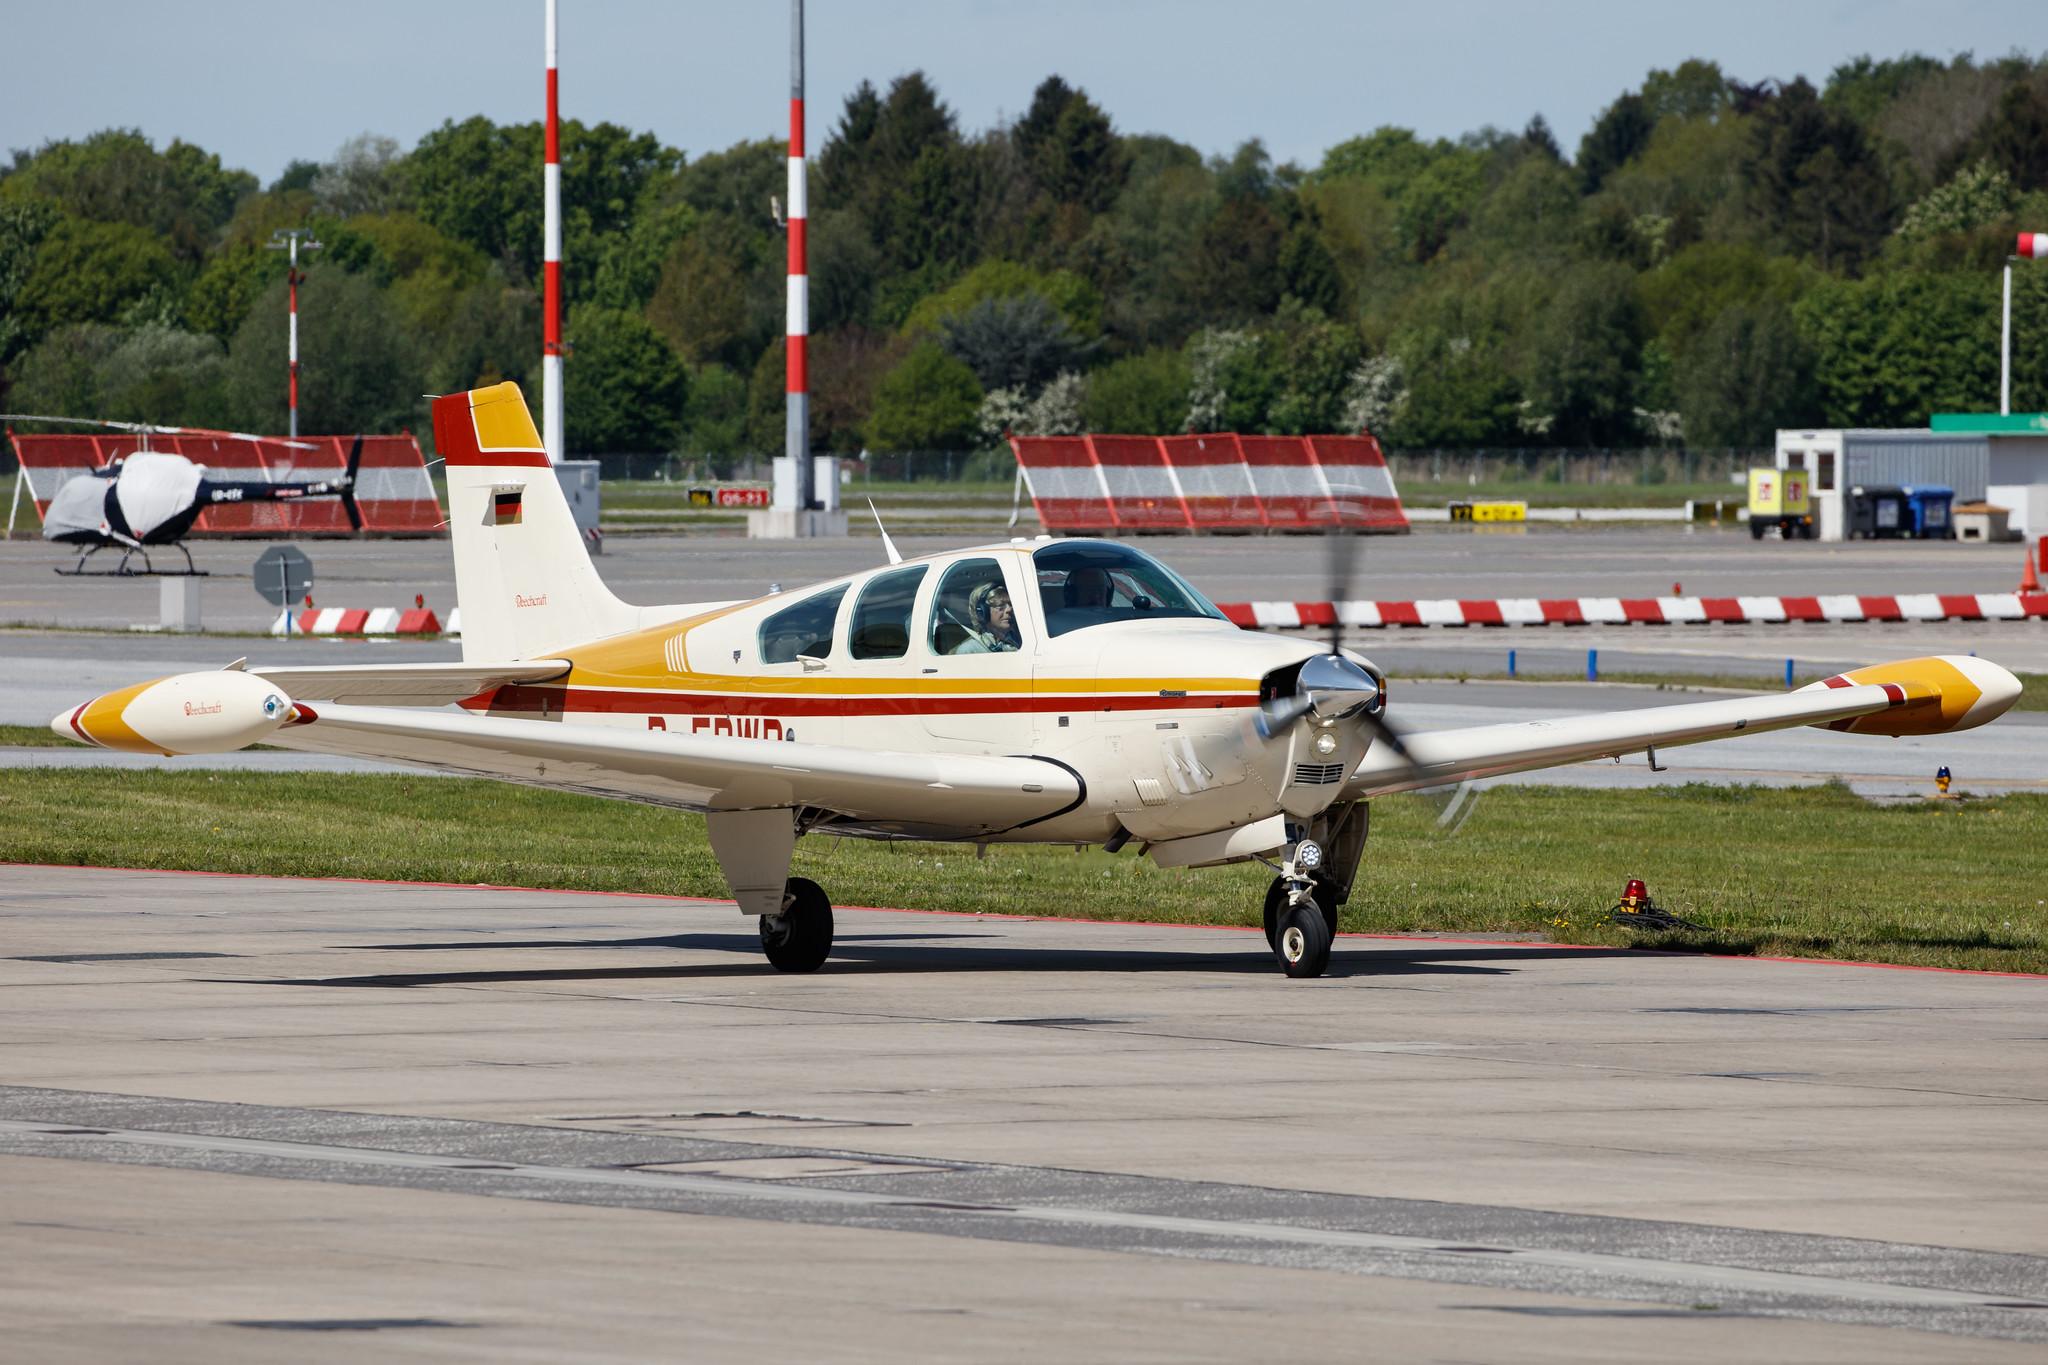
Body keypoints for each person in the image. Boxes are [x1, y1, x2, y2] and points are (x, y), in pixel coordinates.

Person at [955, 580, 1021, 653]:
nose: (1009, 609)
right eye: (1000, 606)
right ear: (982, 612)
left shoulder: (1022, 641)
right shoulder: (969, 650)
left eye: (1011, 605)